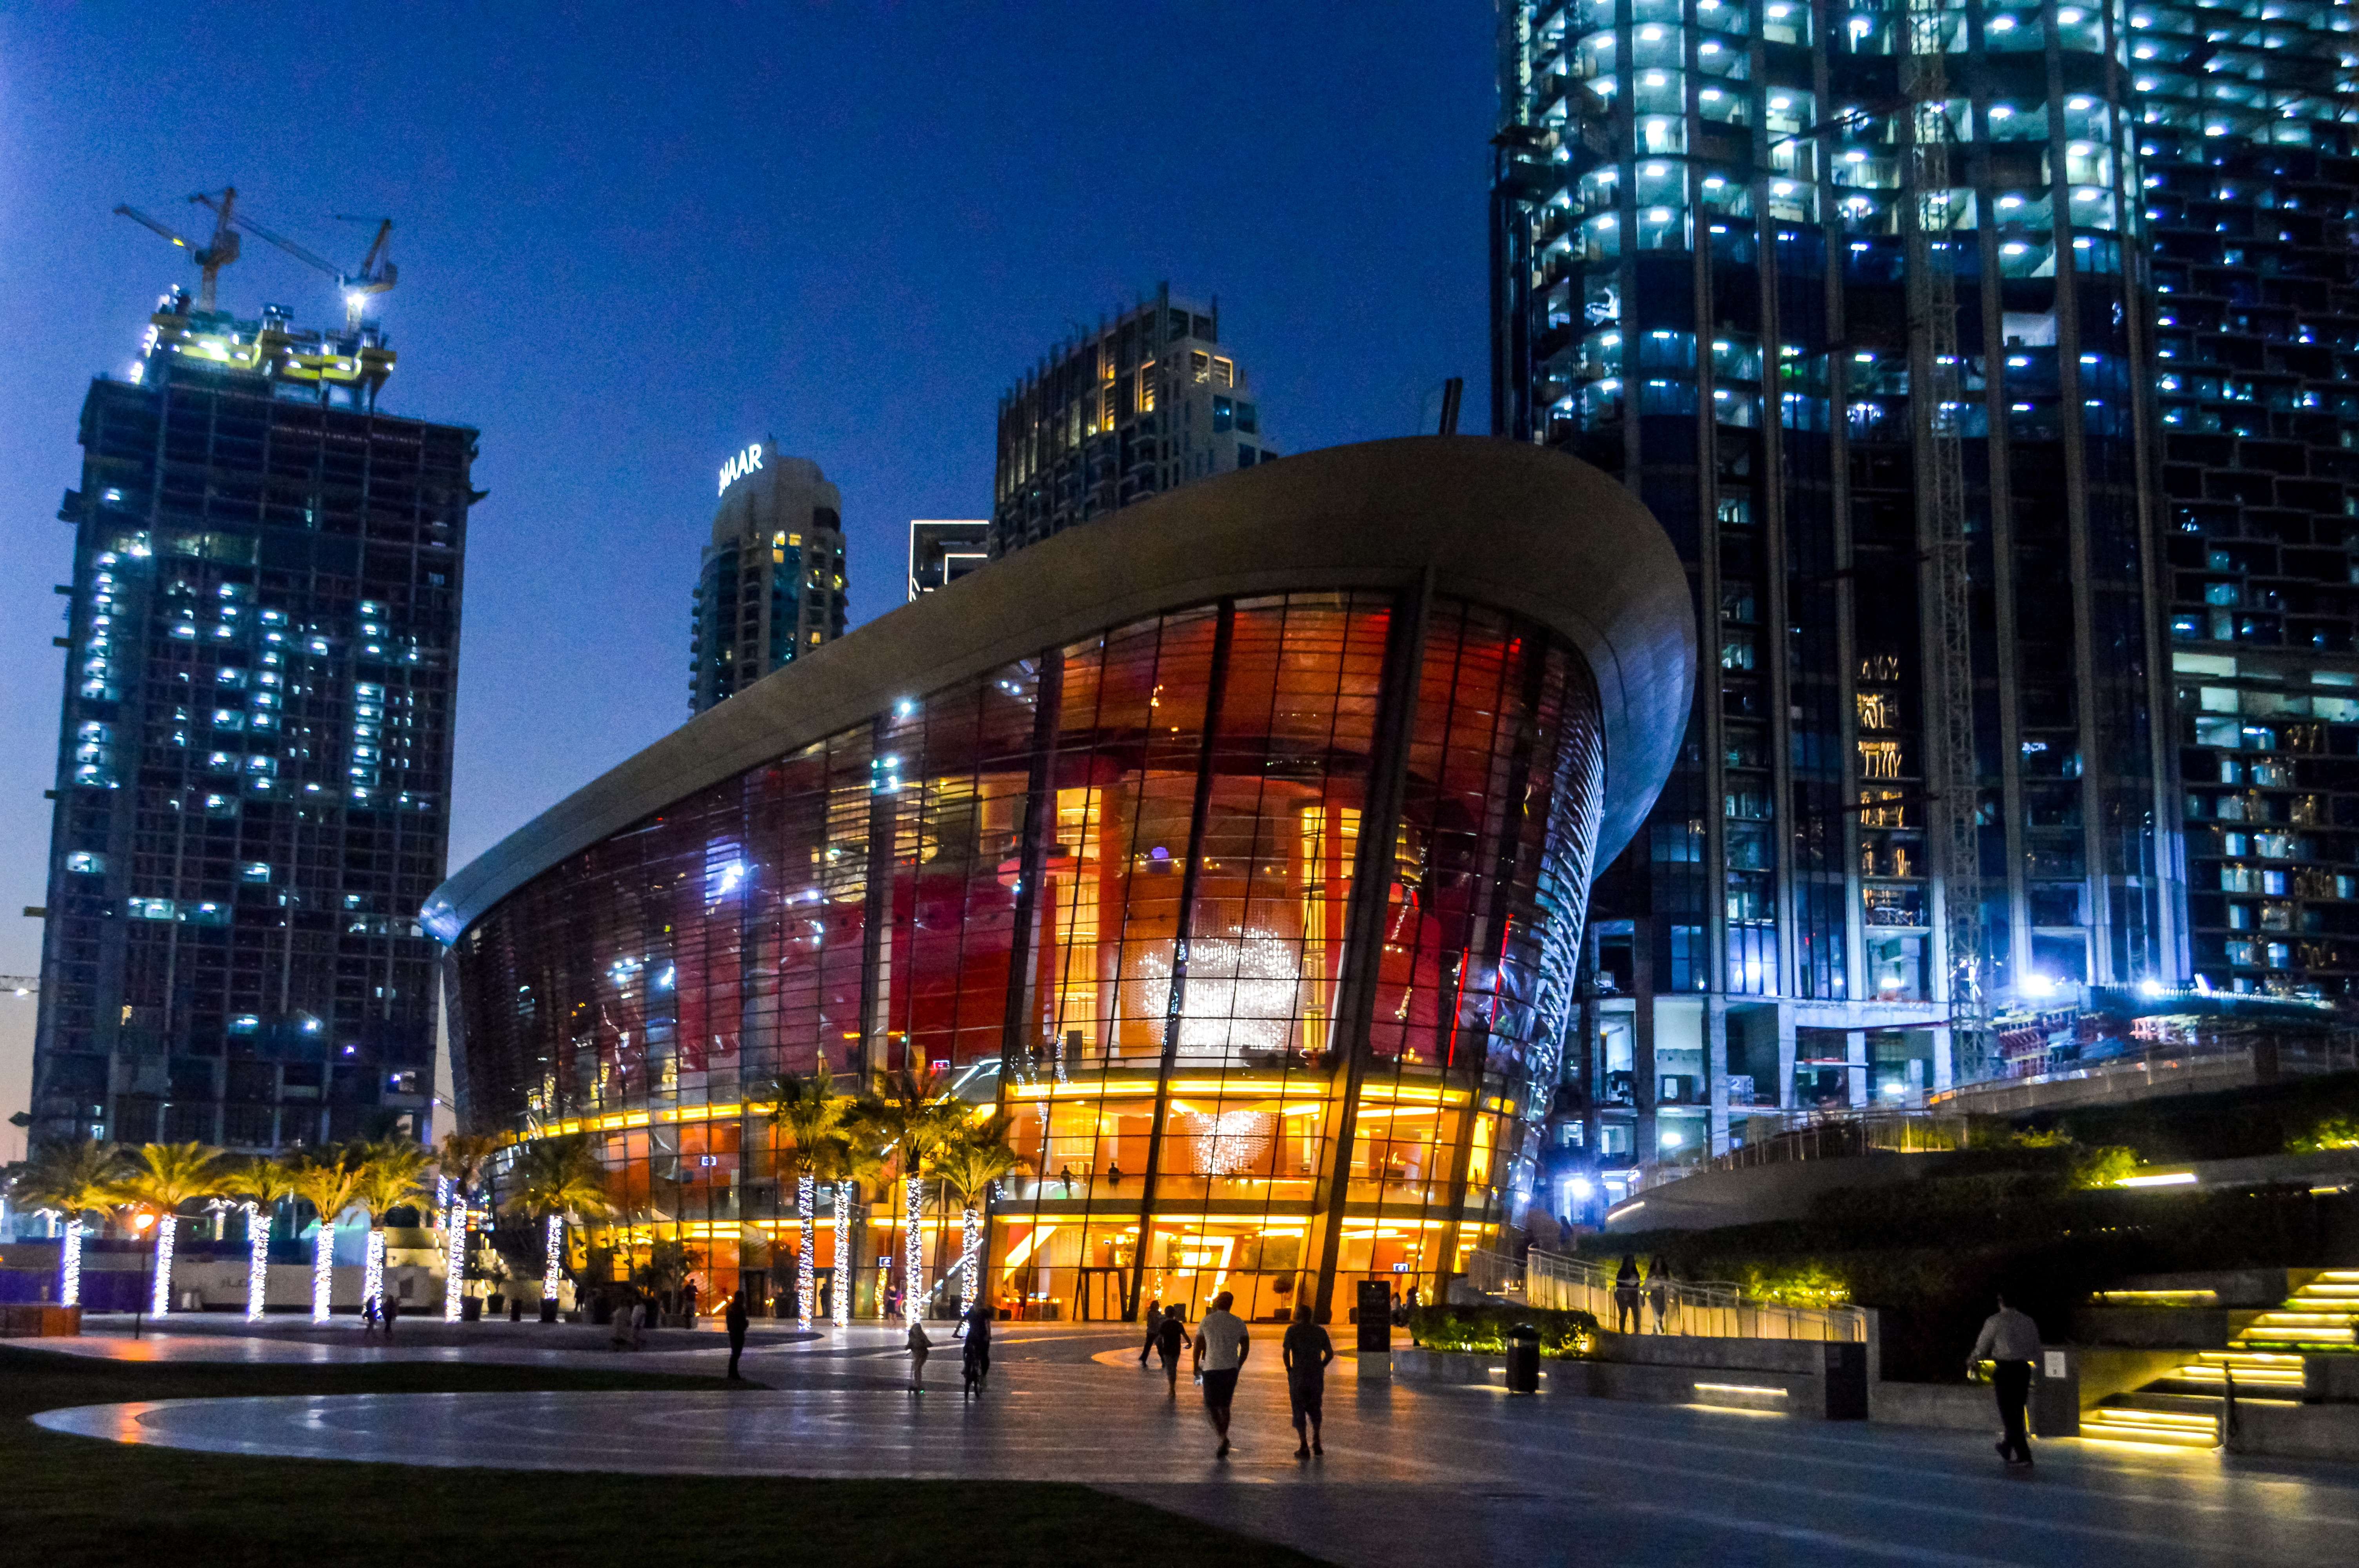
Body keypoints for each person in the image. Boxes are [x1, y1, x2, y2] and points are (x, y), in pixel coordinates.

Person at [1970, 1294, 2043, 1467]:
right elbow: (2036, 1347)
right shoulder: (2028, 1322)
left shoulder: (1995, 1321)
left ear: (2001, 1302)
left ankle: (2024, 1455)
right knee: (2017, 1411)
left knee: (2009, 1414)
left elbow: (1983, 1346)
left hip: (2005, 1370)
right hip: (2023, 1370)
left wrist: (1973, 1359)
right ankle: (2006, 1446)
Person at [1192, 1290, 1251, 1458]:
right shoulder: (1238, 1323)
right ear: (1231, 1304)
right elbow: (1246, 1346)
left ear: (1218, 1303)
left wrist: (1195, 1366)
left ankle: (1222, 1438)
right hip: (1230, 1369)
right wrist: (1239, 1364)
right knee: (1225, 1406)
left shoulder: (1207, 1321)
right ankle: (1223, 1438)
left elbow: (1199, 1346)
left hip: (1211, 1369)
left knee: (1210, 1406)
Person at [1281, 1304, 1334, 1459]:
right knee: (1315, 1407)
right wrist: (1321, 1366)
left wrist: (1289, 1368)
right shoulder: (1320, 1331)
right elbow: (1330, 1353)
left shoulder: (1292, 1331)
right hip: (1316, 1376)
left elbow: (1286, 1352)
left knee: (1299, 1409)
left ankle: (1304, 1445)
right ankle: (1316, 1439)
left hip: (1299, 1375)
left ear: (1298, 1315)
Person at [958, 1299, 993, 1395]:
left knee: (983, 1356)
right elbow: (962, 1320)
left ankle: (982, 1375)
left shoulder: (982, 1313)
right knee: (969, 1351)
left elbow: (987, 1324)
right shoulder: (974, 1312)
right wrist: (956, 1332)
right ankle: (969, 1368)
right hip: (976, 1336)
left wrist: (988, 1335)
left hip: (980, 1336)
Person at [1155, 1305, 1188, 1396]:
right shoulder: (1179, 1325)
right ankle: (1172, 1387)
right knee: (1174, 1367)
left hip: (1167, 1349)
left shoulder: (1164, 1325)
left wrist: (1159, 1346)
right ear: (1174, 1314)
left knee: (1170, 1369)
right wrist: (1189, 1344)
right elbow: (1185, 1336)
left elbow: (1159, 1338)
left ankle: (1172, 1388)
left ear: (1166, 1314)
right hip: (1176, 1349)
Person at [1613, 1253, 1642, 1335]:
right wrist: (1627, 1284)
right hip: (1623, 1294)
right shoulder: (1622, 1272)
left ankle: (1637, 1331)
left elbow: (1638, 1283)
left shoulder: (1635, 1272)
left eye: (1632, 1262)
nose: (1631, 1263)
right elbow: (1619, 1284)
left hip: (1633, 1294)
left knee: (1636, 1313)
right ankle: (1622, 1331)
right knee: (1624, 1313)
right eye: (1629, 1261)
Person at [725, 1288, 749, 1380]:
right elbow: (740, 1322)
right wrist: (745, 1325)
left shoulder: (731, 1308)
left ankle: (733, 1373)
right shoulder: (738, 1309)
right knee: (736, 1353)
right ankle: (733, 1373)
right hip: (738, 1333)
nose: (744, 1300)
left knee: (735, 1353)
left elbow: (730, 1321)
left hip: (733, 1332)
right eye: (742, 1298)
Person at [907, 1317, 933, 1392]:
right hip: (916, 1354)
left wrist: (922, 1345)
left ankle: (919, 1385)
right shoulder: (911, 1336)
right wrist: (909, 1347)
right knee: (916, 1369)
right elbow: (909, 1344)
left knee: (918, 1368)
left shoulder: (923, 1337)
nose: (916, 1331)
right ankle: (917, 1384)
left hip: (923, 1354)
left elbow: (929, 1344)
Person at [1648, 1258, 1672, 1335]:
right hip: (1654, 1293)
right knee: (1656, 1311)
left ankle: (1656, 1328)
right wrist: (1645, 1293)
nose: (1659, 1264)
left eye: (1660, 1262)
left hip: (1662, 1293)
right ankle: (1659, 1330)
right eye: (1657, 1262)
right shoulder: (1652, 1273)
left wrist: (1670, 1295)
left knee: (1661, 1311)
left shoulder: (1665, 1274)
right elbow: (1647, 1283)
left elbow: (1669, 1284)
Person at [1140, 1299, 1163, 1367]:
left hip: (1152, 1332)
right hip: (1155, 1332)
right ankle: (1164, 1361)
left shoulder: (1150, 1313)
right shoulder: (1156, 1314)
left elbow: (1150, 1323)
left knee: (1149, 1346)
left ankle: (1144, 1359)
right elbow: (1157, 1322)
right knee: (1159, 1347)